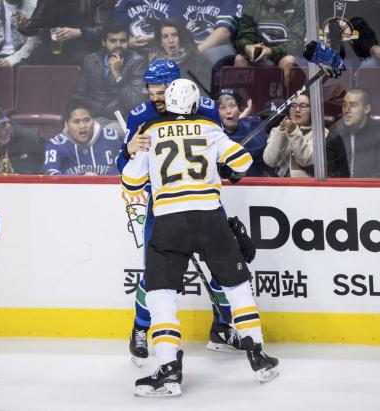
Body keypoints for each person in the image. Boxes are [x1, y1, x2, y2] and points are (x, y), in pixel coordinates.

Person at [122, 78, 279, 397]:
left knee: (161, 295)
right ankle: (259, 355)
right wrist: (224, 170)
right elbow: (242, 162)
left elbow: (131, 179)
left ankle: (168, 370)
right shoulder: (209, 128)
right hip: (210, 217)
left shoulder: (151, 130)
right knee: (236, 287)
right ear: (194, 105)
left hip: (168, 222)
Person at [117, 60, 253, 364]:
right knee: (156, 272)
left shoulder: (204, 108)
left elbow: (222, 157)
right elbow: (123, 169)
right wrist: (128, 151)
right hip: (163, 205)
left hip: (204, 202)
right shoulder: (140, 116)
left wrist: (229, 167)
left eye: (161, 90)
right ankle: (140, 328)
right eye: (151, 91)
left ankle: (221, 328)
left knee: (223, 265)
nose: (156, 97)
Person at [72, 21, 146, 131]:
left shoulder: (138, 62)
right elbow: (79, 95)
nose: (118, 45)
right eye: (113, 41)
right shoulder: (90, 60)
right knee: (67, 132)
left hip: (120, 120)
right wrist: (75, 118)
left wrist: (117, 76)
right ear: (104, 42)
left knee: (109, 133)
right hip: (92, 118)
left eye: (123, 41)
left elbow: (137, 102)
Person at [325, 88, 380, 178]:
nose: (346, 110)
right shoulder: (336, 133)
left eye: (353, 105)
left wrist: (360, 189)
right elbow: (328, 169)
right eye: (344, 105)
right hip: (341, 190)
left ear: (366, 109)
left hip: (371, 190)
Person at [235, 0, 306, 89]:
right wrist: (249, 47)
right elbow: (244, 35)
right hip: (258, 56)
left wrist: (272, 51)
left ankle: (282, 101)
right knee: (240, 59)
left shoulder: (298, 3)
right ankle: (244, 101)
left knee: (288, 61)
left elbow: (297, 41)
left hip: (283, 54)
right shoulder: (253, 3)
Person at [18, 0, 111, 66]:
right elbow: (34, 27)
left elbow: (103, 30)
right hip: (53, 47)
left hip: (84, 47)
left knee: (81, 59)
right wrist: (24, 27)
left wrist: (79, 32)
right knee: (34, 58)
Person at [44, 100, 122, 175]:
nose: (82, 126)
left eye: (87, 120)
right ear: (66, 125)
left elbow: (127, 171)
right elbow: (51, 174)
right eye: (76, 122)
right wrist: (81, 180)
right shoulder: (56, 145)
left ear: (94, 121)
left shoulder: (113, 139)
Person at [263, 92, 328, 177]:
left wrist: (293, 132)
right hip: (280, 186)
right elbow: (270, 161)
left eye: (303, 106)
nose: (297, 109)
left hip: (307, 187)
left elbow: (306, 160)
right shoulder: (277, 131)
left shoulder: (321, 133)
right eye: (293, 105)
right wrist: (281, 133)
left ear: (312, 110)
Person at [216, 88, 272, 176]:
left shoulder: (254, 123)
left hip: (252, 185)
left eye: (232, 106)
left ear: (240, 109)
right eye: (223, 107)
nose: (228, 111)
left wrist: (241, 121)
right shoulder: (213, 131)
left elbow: (257, 148)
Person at [170, 0, 243, 65]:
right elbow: (172, 28)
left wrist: (195, 52)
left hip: (217, 46)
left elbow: (224, 31)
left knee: (212, 54)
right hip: (188, 48)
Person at [149, 19, 212, 91]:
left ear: (180, 39)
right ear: (161, 43)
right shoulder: (153, 65)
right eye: (165, 36)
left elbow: (207, 93)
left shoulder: (199, 63)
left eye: (174, 35)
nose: (171, 40)